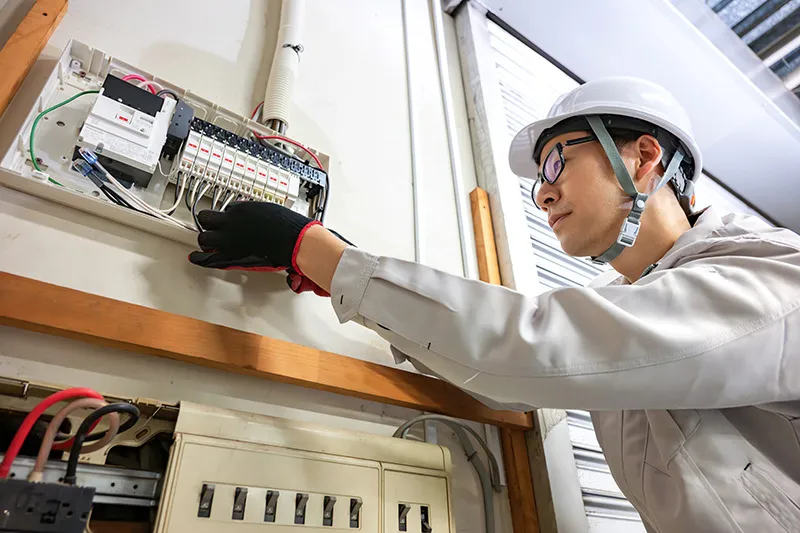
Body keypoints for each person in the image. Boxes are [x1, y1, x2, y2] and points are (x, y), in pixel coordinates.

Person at [188, 77, 800, 532]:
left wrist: (321, 255)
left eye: (556, 159)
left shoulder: (769, 270)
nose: (543, 193)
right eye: (539, 177)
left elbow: (534, 346)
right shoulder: (629, 309)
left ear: (643, 160)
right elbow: (514, 381)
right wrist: (343, 278)